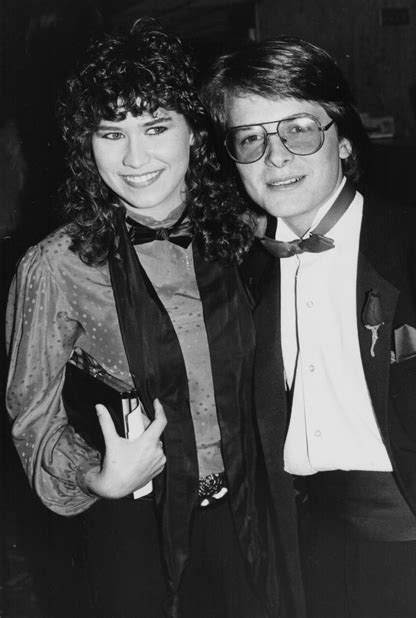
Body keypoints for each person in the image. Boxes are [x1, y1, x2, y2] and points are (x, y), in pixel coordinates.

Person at [5, 20, 279, 618]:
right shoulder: (57, 264)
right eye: (112, 133)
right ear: (87, 144)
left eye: (156, 127)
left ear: (194, 132)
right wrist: (95, 476)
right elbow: (32, 416)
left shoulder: (251, 232)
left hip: (256, 517)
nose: (135, 158)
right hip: (136, 527)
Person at [201, 37, 416, 617]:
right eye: (250, 138)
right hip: (309, 563)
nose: (276, 158)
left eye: (299, 130)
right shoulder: (243, 279)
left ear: (344, 142)